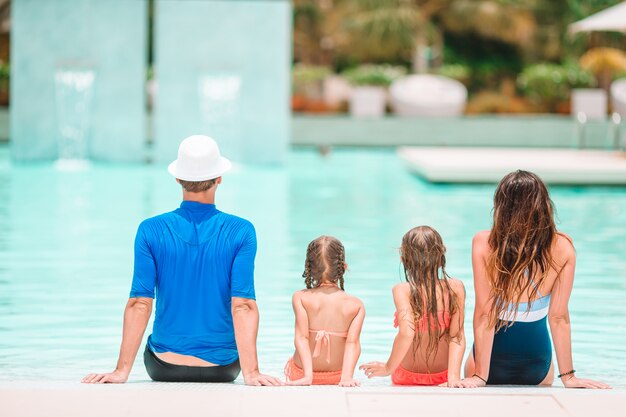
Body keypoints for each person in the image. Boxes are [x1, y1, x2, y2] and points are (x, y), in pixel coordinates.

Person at [82, 135, 280, 386]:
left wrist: (120, 371)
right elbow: (242, 305)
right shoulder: (241, 231)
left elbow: (139, 304)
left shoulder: (150, 230)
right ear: (219, 178)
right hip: (222, 368)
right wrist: (252, 373)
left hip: (163, 366)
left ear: (178, 178)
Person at [461, 170, 610, 389]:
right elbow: (559, 318)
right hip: (538, 367)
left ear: (501, 206)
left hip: (488, 364)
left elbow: (485, 314)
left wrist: (480, 377)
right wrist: (569, 377)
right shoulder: (563, 247)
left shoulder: (484, 243)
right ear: (543, 205)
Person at [360, 226, 466, 387]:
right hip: (444, 376)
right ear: (441, 256)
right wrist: (453, 377)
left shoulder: (403, 290)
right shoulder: (455, 288)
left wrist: (388, 367)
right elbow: (456, 336)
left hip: (406, 375)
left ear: (404, 259)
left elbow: (406, 333)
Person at [284, 236, 365, 387]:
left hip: (302, 372)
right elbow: (353, 343)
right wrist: (346, 378)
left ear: (309, 268)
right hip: (338, 375)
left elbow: (301, 338)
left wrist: (308, 376)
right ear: (344, 267)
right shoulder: (355, 305)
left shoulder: (301, 297)